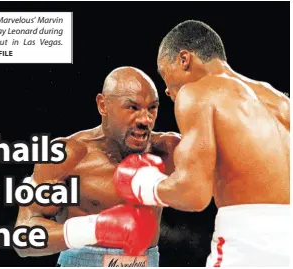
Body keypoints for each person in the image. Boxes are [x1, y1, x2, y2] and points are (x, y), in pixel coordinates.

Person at [113, 20, 290, 267]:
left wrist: (143, 184)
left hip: (249, 243)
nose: (166, 90)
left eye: (165, 75)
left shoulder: (197, 93)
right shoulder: (280, 100)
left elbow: (193, 194)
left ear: (184, 59)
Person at [14, 66, 181, 267]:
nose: (145, 120)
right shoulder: (67, 156)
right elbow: (23, 238)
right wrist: (95, 228)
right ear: (103, 105)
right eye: (132, 108)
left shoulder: (168, 151)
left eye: (152, 108)